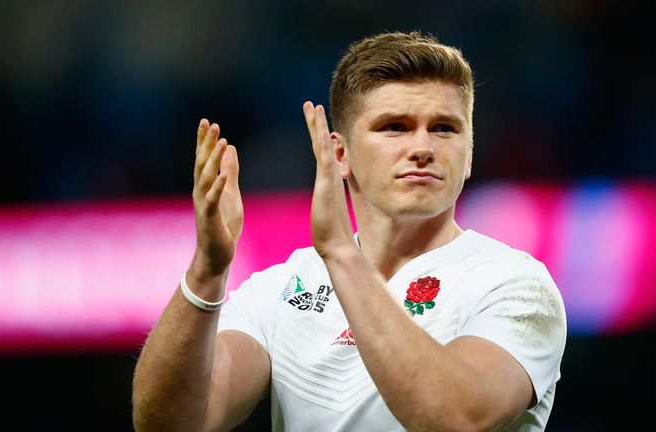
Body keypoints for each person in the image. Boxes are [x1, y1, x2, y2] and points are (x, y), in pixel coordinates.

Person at [132, 31, 566, 431]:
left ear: (468, 155)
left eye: (444, 128)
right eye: (394, 127)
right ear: (340, 154)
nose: (422, 148)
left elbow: (457, 418)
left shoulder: (515, 286)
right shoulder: (281, 290)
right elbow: (169, 423)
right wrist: (206, 272)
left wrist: (340, 253)